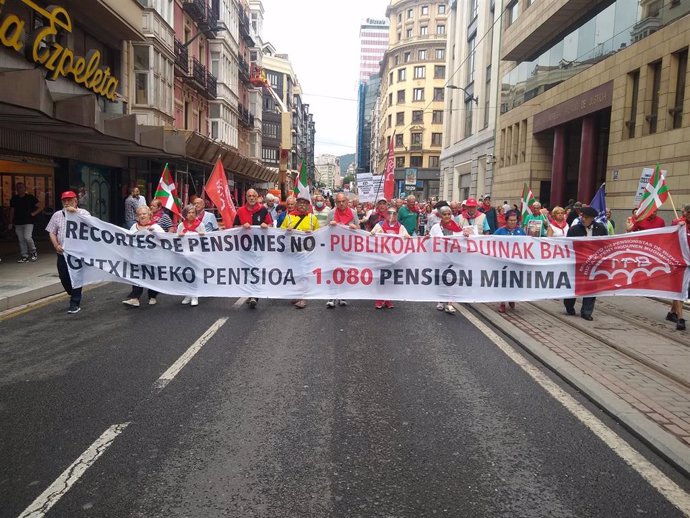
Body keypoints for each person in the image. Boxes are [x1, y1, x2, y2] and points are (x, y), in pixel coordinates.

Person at [45, 191, 90, 314]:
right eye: (64, 200)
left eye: (69, 200)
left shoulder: (84, 213)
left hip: (77, 254)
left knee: (76, 276)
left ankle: (74, 303)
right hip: (62, 253)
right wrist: (56, 245)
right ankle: (74, 292)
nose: (66, 202)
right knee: (64, 277)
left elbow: (92, 226)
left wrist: (76, 213)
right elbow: (52, 232)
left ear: (75, 201)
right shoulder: (57, 215)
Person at [563, 206, 608, 320]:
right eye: (582, 216)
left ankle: (586, 312)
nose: (583, 219)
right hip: (577, 264)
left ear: (592, 218)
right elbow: (568, 247)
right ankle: (569, 306)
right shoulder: (574, 230)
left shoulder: (601, 228)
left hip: (593, 265)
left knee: (591, 288)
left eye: (586, 217)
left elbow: (605, 245)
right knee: (573, 286)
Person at [234, 189, 273, 308]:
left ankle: (254, 296)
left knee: (256, 270)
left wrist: (267, 226)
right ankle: (250, 292)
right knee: (247, 270)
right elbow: (234, 227)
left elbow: (271, 225)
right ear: (246, 197)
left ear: (257, 197)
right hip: (245, 247)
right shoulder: (240, 211)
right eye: (249, 196)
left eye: (253, 196)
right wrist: (241, 226)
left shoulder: (263, 210)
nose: (251, 198)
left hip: (259, 246)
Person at [122, 206, 166, 307]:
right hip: (138, 257)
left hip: (152, 258)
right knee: (137, 277)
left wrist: (154, 234)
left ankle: (152, 296)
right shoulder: (134, 227)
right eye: (140, 214)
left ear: (149, 215)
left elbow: (165, 240)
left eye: (144, 214)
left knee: (152, 277)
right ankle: (135, 298)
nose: (142, 216)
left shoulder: (156, 227)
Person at [281, 196, 319, 308]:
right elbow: (280, 231)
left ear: (308, 206)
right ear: (296, 205)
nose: (302, 205)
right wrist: (286, 230)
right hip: (292, 251)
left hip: (305, 252)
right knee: (294, 274)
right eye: (300, 203)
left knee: (303, 273)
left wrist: (312, 232)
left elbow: (319, 233)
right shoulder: (289, 217)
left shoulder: (313, 218)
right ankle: (296, 294)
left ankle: (303, 297)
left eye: (305, 203)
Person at [326, 193, 360, 308]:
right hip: (334, 248)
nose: (341, 204)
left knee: (345, 272)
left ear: (346, 202)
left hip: (348, 248)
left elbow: (359, 229)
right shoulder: (331, 214)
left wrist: (354, 227)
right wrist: (330, 225)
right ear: (336, 203)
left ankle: (343, 296)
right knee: (333, 271)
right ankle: (332, 297)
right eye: (338, 202)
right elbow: (325, 231)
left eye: (343, 201)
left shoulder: (353, 213)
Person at [371, 206, 409, 309]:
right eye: (389, 213)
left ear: (397, 215)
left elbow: (407, 237)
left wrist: (407, 237)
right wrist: (373, 234)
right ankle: (379, 299)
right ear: (386, 214)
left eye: (394, 213)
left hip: (393, 257)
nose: (391, 215)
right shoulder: (379, 225)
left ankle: (388, 299)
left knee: (390, 278)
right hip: (381, 256)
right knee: (380, 278)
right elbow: (371, 237)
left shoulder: (400, 226)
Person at [429, 205, 462, 314]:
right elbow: (430, 240)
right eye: (445, 214)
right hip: (440, 258)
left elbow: (462, 240)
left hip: (453, 258)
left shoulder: (457, 227)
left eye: (449, 214)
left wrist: (466, 235)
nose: (447, 216)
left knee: (452, 280)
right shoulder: (435, 228)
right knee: (441, 280)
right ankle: (440, 301)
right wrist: (427, 238)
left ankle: (450, 303)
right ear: (440, 216)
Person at [493, 211, 525, 312]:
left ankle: (512, 298)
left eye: (514, 220)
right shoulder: (499, 231)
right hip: (503, 262)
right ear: (506, 220)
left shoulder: (521, 231)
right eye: (510, 220)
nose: (512, 222)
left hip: (516, 262)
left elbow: (526, 244)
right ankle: (502, 302)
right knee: (503, 282)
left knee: (514, 281)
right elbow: (491, 242)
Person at [177, 204, 205, 306]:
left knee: (194, 274)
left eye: (193, 212)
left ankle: (195, 295)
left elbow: (206, 240)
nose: (191, 214)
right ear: (185, 214)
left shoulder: (200, 225)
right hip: (184, 254)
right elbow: (175, 240)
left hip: (196, 254)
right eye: (189, 213)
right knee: (186, 274)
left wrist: (202, 235)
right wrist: (178, 236)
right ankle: (188, 294)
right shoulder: (181, 225)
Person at [669, 204, 690, 330]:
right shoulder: (679, 223)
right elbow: (669, 235)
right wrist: (677, 226)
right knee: (679, 290)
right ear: (686, 213)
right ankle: (680, 318)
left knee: (683, 290)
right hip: (680, 262)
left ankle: (672, 312)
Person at [9, 182, 41, 262]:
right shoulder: (14, 198)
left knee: (27, 237)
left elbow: (41, 206)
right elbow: (12, 210)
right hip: (18, 222)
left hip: (28, 221)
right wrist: (10, 221)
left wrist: (34, 213)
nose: (19, 189)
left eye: (21, 187)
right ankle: (24, 255)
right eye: (18, 187)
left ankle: (33, 252)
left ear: (25, 188)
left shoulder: (30, 197)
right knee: (21, 239)